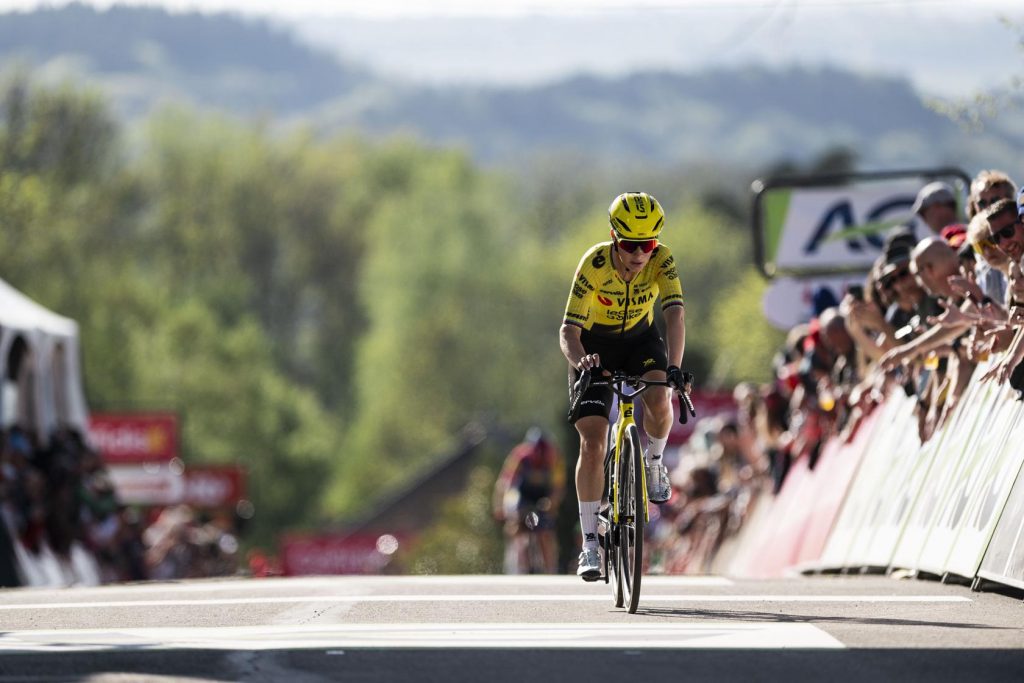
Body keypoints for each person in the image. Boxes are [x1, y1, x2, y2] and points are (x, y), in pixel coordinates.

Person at [560, 191, 688, 581]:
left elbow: (675, 316)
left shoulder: (662, 260)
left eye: (647, 244)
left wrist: (676, 368)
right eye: (630, 245)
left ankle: (652, 464)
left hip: (640, 342)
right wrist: (580, 360)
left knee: (660, 398)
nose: (639, 254)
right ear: (615, 238)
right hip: (594, 348)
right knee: (593, 441)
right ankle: (589, 545)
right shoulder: (594, 264)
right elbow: (568, 330)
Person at [492, 427, 565, 574]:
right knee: (516, 522)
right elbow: (505, 483)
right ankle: (517, 561)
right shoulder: (520, 456)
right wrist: (500, 506)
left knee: (546, 530)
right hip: (521, 493)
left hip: (543, 496)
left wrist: (553, 503)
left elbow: (558, 487)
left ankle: (551, 569)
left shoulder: (554, 457)